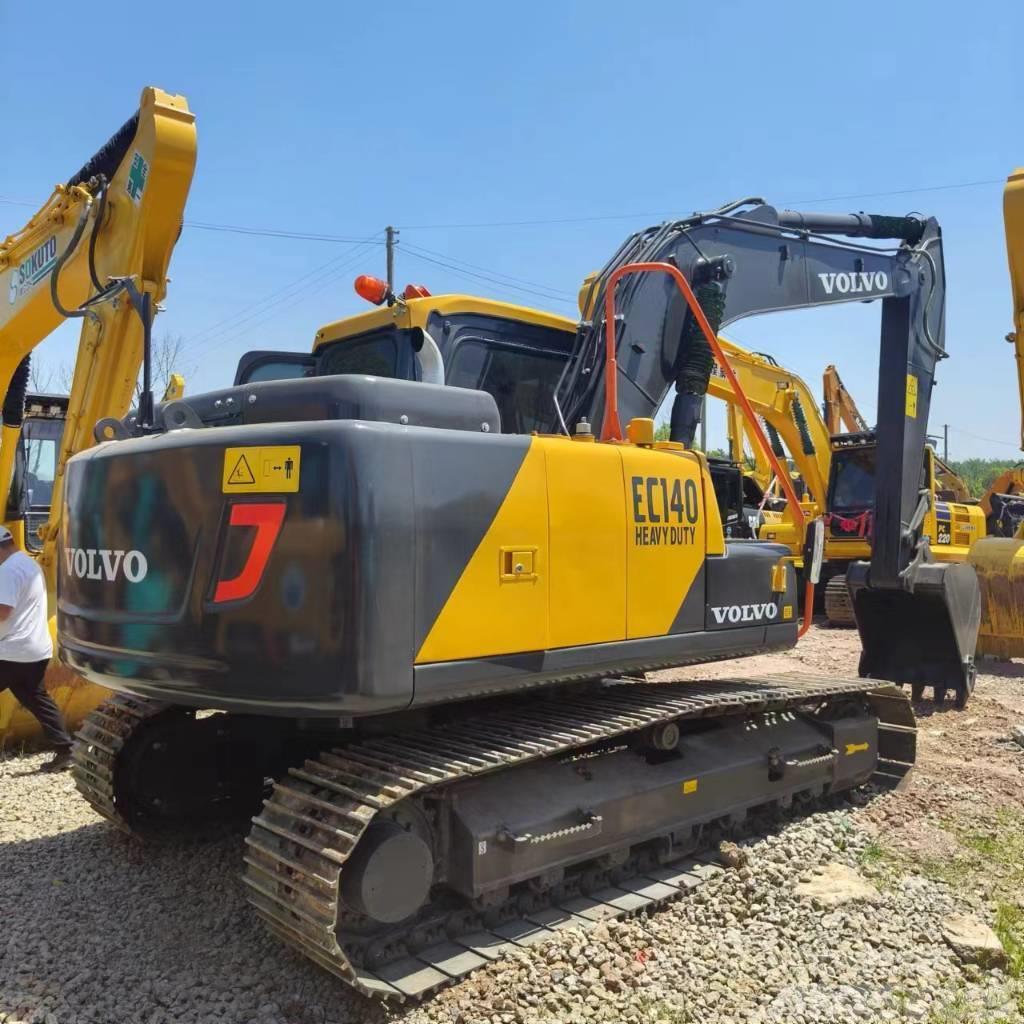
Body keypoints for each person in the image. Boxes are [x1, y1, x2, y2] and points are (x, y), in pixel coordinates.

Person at [0, 526, 71, 771]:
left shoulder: (7, 571)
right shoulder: (29, 565)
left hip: (11, 651)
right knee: (37, 699)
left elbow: (3, 611)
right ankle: (65, 750)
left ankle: (65, 750)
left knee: (36, 698)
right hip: (35, 650)